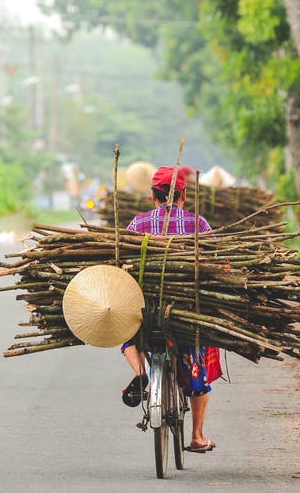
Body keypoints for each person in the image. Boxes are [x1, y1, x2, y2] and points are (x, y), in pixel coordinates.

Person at [120, 165, 221, 454]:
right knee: (197, 363)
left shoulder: (138, 225)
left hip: (145, 312)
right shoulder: (198, 225)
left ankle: (142, 372)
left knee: (127, 333)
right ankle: (198, 436)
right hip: (187, 313)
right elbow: (214, 266)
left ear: (153, 195)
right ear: (183, 195)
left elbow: (121, 268)